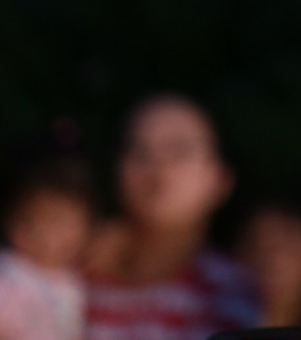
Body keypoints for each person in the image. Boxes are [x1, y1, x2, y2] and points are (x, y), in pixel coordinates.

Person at [81, 97, 258, 340]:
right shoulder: (66, 270)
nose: (158, 167)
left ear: (220, 179)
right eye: (139, 151)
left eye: (179, 151)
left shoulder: (228, 291)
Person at [0, 147, 94, 340]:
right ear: (21, 230)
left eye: (76, 222)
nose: (71, 234)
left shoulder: (73, 278)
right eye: (57, 222)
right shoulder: (12, 275)